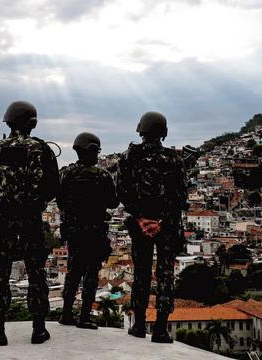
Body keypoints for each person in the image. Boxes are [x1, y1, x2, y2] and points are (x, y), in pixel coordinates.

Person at [0, 101, 59, 346]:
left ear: (8, 122)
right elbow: (53, 186)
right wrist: (35, 201)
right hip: (31, 218)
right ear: (32, 123)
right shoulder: (41, 149)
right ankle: (39, 329)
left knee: (0, 273)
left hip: (3, 218)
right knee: (36, 273)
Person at [116, 111, 188, 343]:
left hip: (140, 225)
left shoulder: (129, 156)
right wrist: (162, 221)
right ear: (163, 132)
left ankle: (138, 325)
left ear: (141, 130)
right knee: (166, 274)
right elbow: (181, 197)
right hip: (167, 225)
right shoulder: (174, 159)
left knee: (141, 273)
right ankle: (160, 329)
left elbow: (121, 192)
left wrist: (140, 218)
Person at [57, 132, 118, 330]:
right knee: (91, 275)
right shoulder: (102, 175)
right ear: (93, 151)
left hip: (74, 232)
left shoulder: (66, 174)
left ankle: (66, 314)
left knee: (73, 273)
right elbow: (112, 202)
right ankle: (84, 317)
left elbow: (59, 200)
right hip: (94, 231)